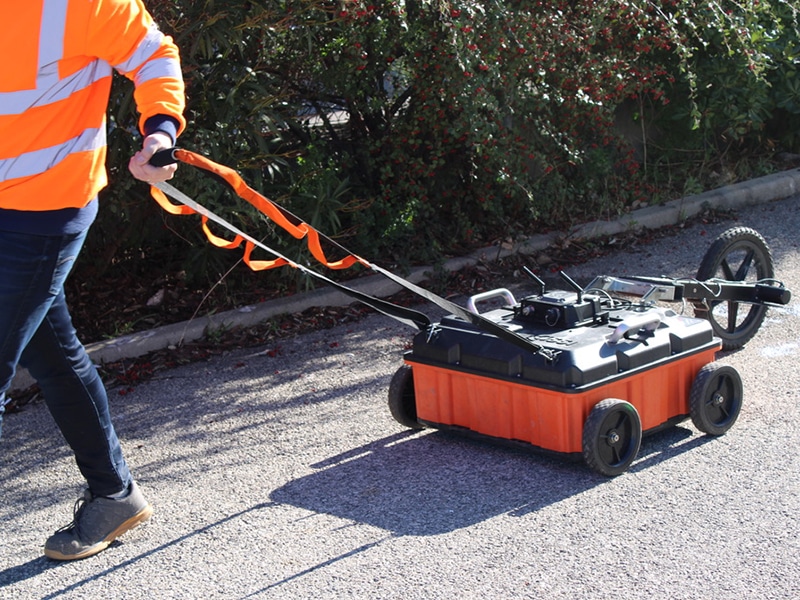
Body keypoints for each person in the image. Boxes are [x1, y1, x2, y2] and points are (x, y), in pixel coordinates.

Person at [0, 0, 186, 560]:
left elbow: (154, 57)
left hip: (45, 207)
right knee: (52, 354)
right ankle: (114, 496)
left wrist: (158, 131)